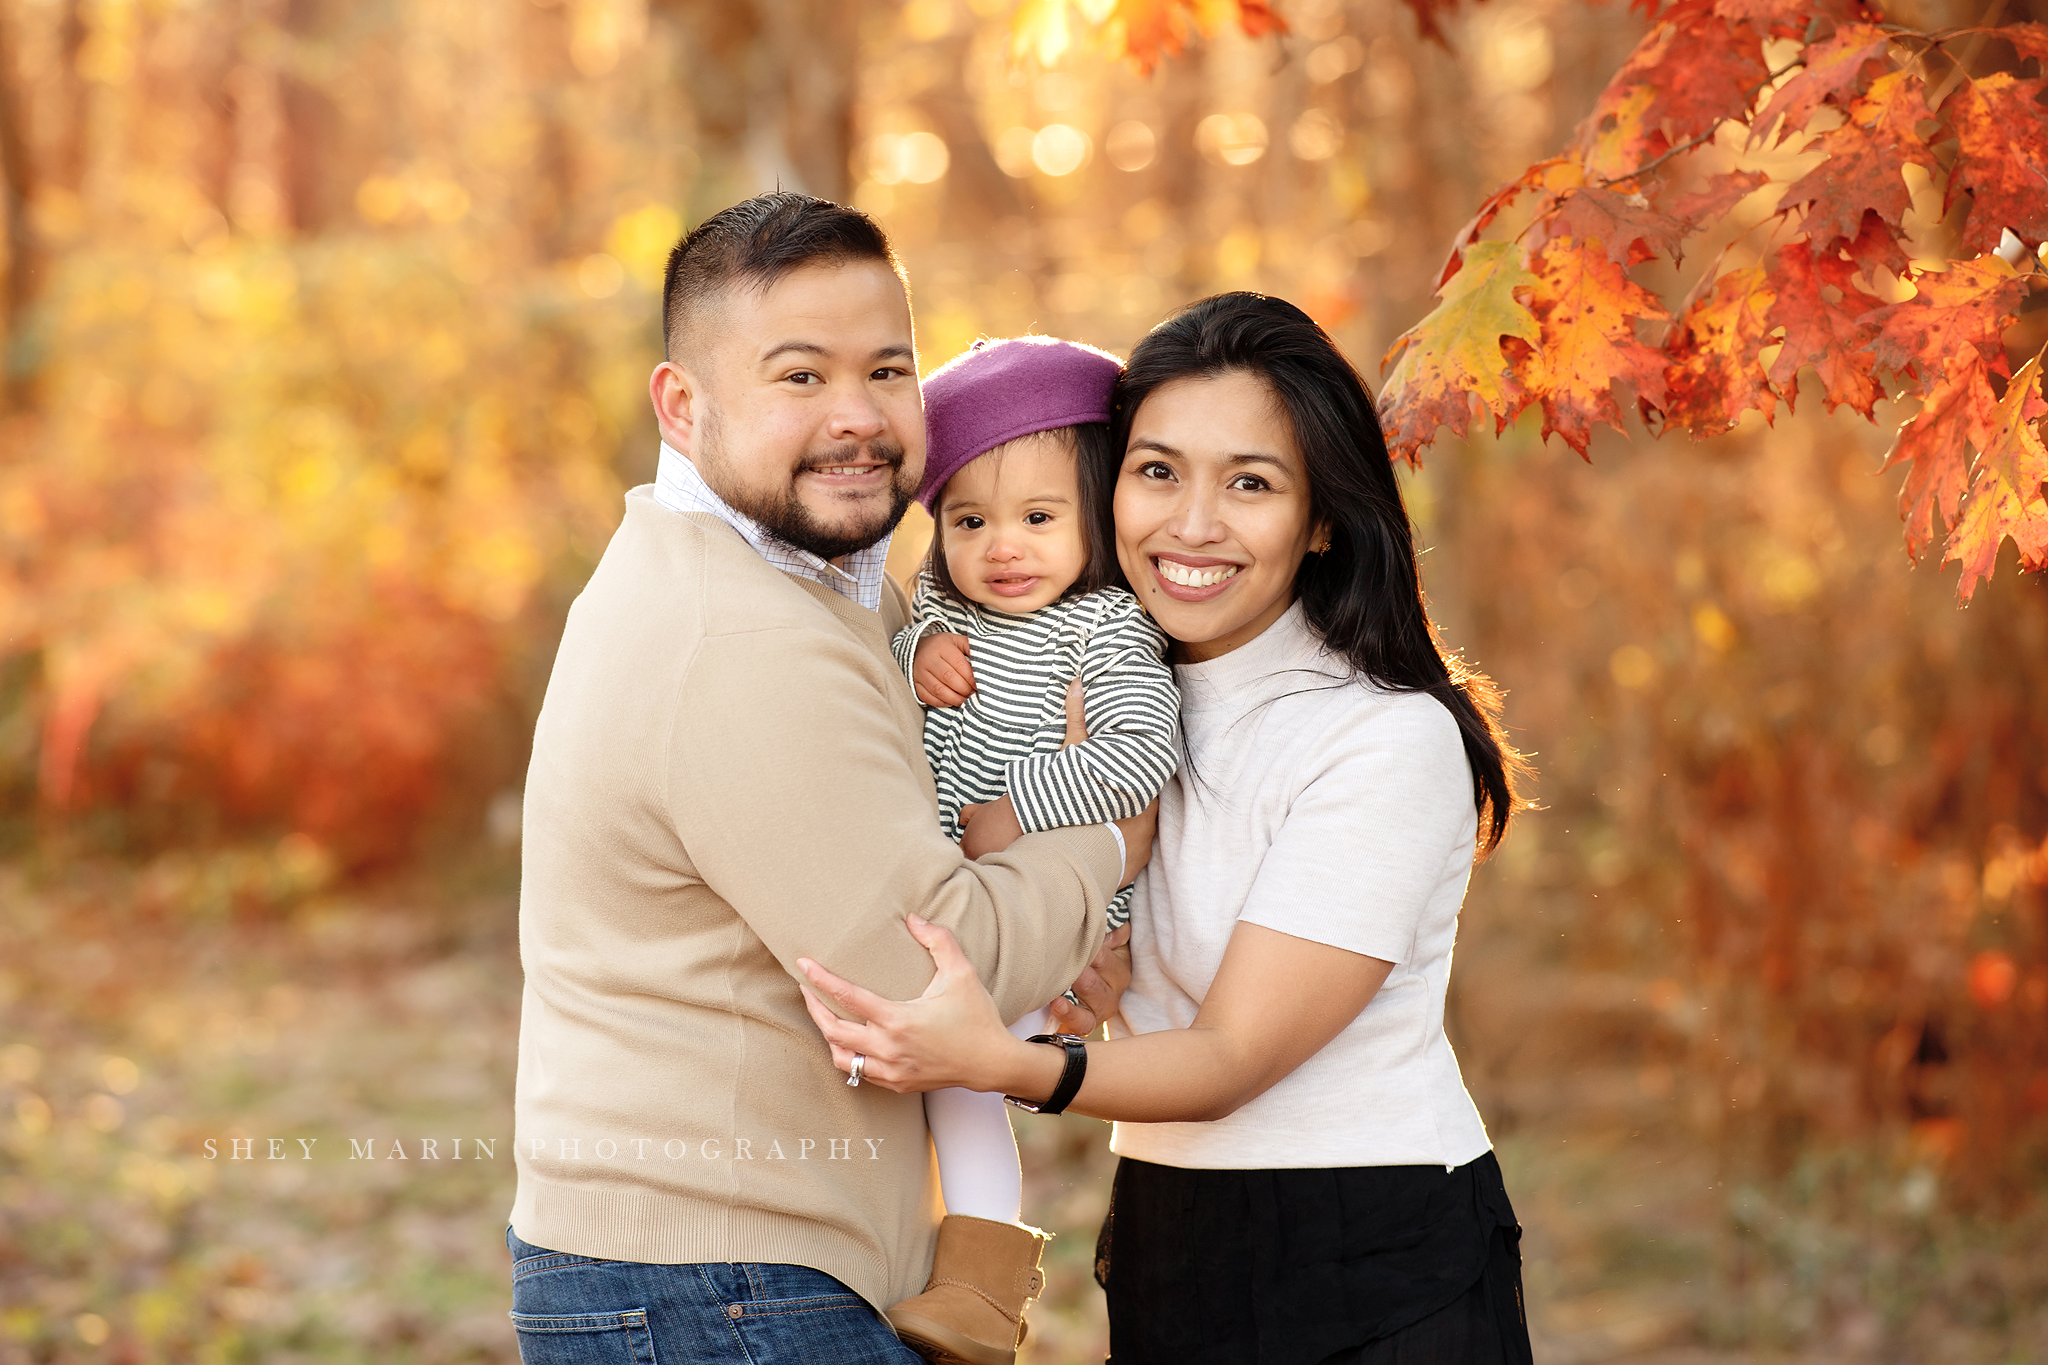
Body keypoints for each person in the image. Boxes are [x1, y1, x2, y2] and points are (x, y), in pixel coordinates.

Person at [799, 292, 1536, 1364]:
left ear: (1322, 517)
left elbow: (1234, 1051)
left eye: (1249, 483)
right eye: (1157, 471)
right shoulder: (1087, 683)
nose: (1190, 524)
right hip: (1165, 1230)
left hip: (1371, 1246)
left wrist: (1008, 1061)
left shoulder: (1380, 739)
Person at [504, 192, 1153, 1365]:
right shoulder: (738, 638)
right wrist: (1114, 842)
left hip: (743, 1271)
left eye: (887, 371)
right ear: (682, 403)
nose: (857, 419)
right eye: (798, 378)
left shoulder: (808, 589)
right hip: (724, 1287)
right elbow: (927, 976)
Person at [884, 336, 1181, 1365]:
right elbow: (896, 653)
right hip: (942, 891)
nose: (1002, 545)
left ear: (1094, 519)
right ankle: (914, 1257)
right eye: (969, 520)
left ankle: (982, 1293)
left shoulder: (1104, 627)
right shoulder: (943, 612)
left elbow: (1145, 751)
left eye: (1038, 517)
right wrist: (916, 648)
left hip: (1042, 909)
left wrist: (1017, 809)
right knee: (917, 1085)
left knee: (963, 1089)